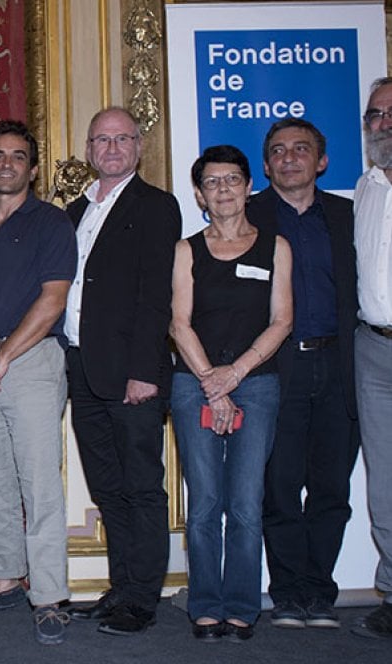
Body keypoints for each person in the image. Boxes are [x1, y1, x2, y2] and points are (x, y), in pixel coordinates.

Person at [63, 107, 180, 636]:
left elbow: (157, 296)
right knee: (107, 488)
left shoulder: (156, 207)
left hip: (132, 374)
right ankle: (121, 586)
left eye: (122, 138)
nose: (111, 148)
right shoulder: (73, 211)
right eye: (101, 140)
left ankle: (142, 599)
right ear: (89, 150)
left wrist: (143, 372)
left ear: (138, 146)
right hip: (81, 368)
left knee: (141, 488)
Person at [170, 145, 293, 642]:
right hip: (193, 384)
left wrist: (234, 376)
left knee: (245, 502)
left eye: (232, 179)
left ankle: (241, 605)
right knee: (204, 503)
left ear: (248, 186)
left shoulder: (275, 247)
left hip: (257, 385)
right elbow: (178, 324)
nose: (223, 189)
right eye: (212, 182)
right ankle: (204, 604)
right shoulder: (186, 250)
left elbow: (282, 321)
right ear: (200, 194)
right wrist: (211, 385)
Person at [0, 120, 76, 645]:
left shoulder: (51, 224)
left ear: (32, 168)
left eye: (18, 156)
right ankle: (7, 578)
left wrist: (5, 357)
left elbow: (53, 299)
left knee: (39, 484)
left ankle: (51, 595)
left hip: (29, 360)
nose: (7, 163)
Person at [250, 118, 360, 631]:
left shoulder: (351, 216)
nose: (289, 158)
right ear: (266, 163)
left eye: (301, 149)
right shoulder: (247, 217)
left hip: (341, 367)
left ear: (322, 161)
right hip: (277, 368)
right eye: (278, 150)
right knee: (279, 485)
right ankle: (288, 591)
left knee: (331, 487)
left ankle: (320, 591)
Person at [351, 75, 392, 640]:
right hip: (374, 349)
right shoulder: (365, 190)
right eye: (376, 116)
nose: (385, 124)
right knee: (384, 480)